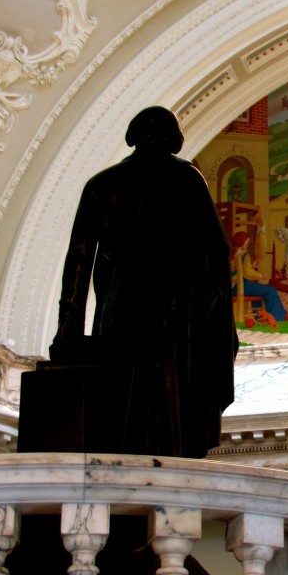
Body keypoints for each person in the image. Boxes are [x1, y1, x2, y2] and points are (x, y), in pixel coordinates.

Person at [52, 106, 236, 459]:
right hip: (173, 309)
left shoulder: (101, 185)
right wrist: (207, 311)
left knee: (118, 398)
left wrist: (68, 332)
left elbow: (77, 264)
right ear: (173, 140)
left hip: (118, 307)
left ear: (134, 137)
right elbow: (216, 251)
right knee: (171, 399)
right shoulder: (186, 178)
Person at [230, 231, 288, 322]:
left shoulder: (232, 254)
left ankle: (260, 318)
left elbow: (240, 270)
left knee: (258, 291)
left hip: (231, 288)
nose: (247, 245)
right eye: (247, 243)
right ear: (242, 242)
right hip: (240, 286)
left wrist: (252, 266)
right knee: (270, 290)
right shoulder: (243, 254)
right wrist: (261, 276)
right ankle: (277, 318)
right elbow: (247, 272)